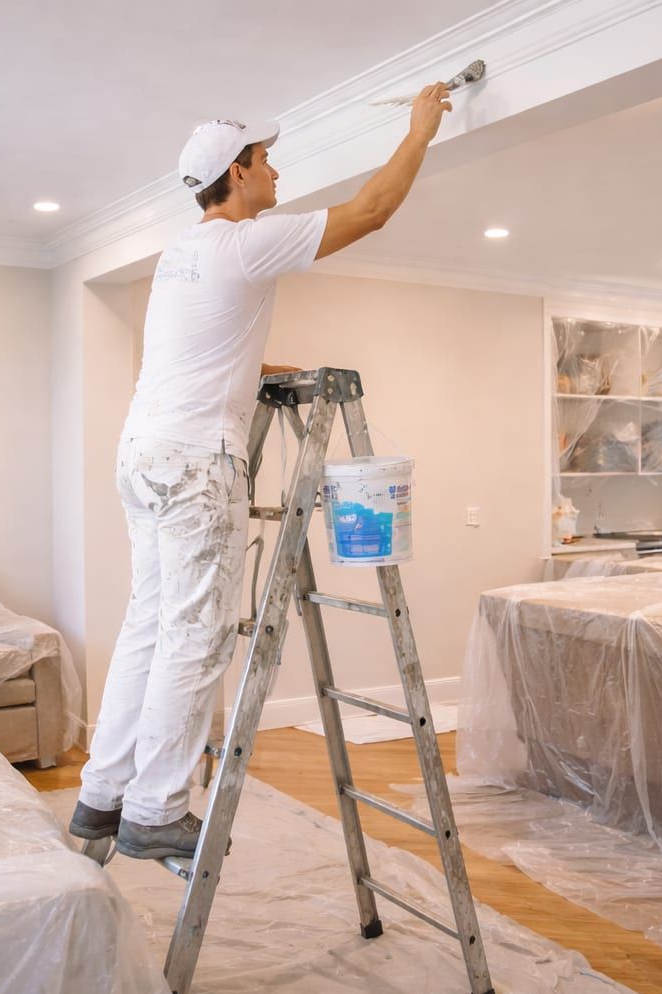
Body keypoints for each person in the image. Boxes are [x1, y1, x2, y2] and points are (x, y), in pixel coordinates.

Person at [72, 82, 454, 859]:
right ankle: (154, 809)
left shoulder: (179, 258)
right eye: (267, 160)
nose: (277, 172)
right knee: (197, 634)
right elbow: (373, 209)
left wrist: (267, 370)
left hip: (142, 454)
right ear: (237, 174)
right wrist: (421, 129)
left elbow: (195, 353)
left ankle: (102, 796)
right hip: (191, 465)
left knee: (148, 625)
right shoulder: (244, 241)